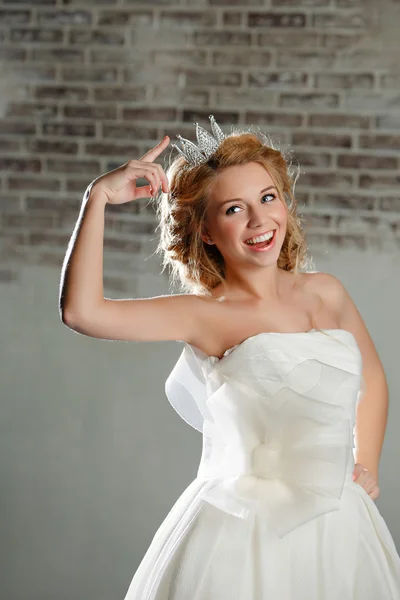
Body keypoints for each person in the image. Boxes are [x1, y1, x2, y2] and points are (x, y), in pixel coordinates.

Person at [59, 116, 400, 599]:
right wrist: (97, 199)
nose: (260, 222)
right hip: (243, 530)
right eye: (234, 209)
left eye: (267, 198)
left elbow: (373, 378)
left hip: (338, 522)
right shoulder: (205, 315)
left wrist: (367, 463)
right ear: (206, 232)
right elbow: (82, 311)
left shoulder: (326, 293)